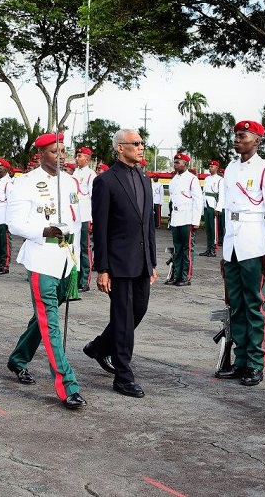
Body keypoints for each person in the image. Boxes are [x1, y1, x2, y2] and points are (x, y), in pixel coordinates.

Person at [5, 132, 86, 410]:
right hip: (41, 257)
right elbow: (13, 224)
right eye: (55, 151)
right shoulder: (25, 183)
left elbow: (77, 223)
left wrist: (78, 261)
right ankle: (67, 386)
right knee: (50, 323)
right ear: (41, 154)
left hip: (66, 259)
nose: (61, 156)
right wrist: (43, 231)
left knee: (42, 318)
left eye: (63, 151)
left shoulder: (72, 181)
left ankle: (18, 359)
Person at [85, 129, 157, 399]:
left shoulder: (144, 178)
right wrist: (102, 269)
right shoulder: (106, 181)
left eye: (142, 143)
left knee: (139, 309)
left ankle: (99, 347)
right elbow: (100, 230)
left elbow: (148, 224)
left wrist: (152, 261)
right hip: (117, 262)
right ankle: (123, 375)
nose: (141, 148)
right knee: (124, 318)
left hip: (141, 262)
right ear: (119, 148)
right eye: (135, 144)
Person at [214, 120, 265, 386]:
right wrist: (223, 250)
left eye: (243, 136)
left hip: (254, 244)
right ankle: (240, 360)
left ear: (257, 140)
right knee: (236, 305)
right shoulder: (231, 168)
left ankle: (255, 363)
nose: (237, 139)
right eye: (235, 135)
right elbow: (228, 212)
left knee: (253, 305)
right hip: (233, 244)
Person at [166, 153, 203, 286]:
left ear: (186, 164)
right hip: (176, 218)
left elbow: (198, 201)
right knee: (178, 249)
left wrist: (195, 221)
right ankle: (176, 276)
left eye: (178, 162)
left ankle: (185, 277)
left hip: (187, 217)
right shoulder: (174, 179)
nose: (175, 164)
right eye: (174, 162)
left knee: (187, 249)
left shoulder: (192, 179)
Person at [73, 146, 96, 291]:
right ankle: (75, 279)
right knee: (74, 247)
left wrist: (93, 219)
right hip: (75, 215)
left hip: (85, 215)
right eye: (77, 156)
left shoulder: (90, 175)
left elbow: (95, 198)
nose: (77, 158)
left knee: (84, 248)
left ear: (87, 159)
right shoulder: (75, 173)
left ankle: (85, 280)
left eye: (80, 156)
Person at [200, 160, 223, 257]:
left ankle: (213, 249)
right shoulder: (207, 179)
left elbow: (222, 195)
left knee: (214, 229)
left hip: (213, 205)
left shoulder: (220, 180)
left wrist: (218, 208)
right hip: (206, 204)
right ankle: (208, 248)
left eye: (212, 166)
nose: (210, 168)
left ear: (217, 168)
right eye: (209, 166)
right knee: (208, 229)